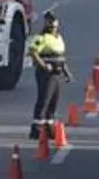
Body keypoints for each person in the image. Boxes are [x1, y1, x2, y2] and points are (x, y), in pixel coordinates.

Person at [28, 10, 70, 140]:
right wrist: (44, 65)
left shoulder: (59, 38)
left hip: (57, 74)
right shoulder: (42, 38)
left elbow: (61, 58)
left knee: (53, 101)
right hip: (46, 74)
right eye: (50, 23)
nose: (52, 26)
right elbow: (33, 52)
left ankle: (49, 128)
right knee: (44, 99)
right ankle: (37, 129)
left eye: (54, 24)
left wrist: (67, 73)